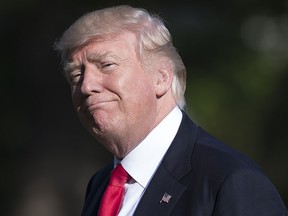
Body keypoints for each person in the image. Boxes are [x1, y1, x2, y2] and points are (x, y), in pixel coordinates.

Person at [54, 5, 288, 216]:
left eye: (106, 65)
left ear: (162, 77)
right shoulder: (100, 185)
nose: (86, 86)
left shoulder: (232, 181)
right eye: (76, 75)